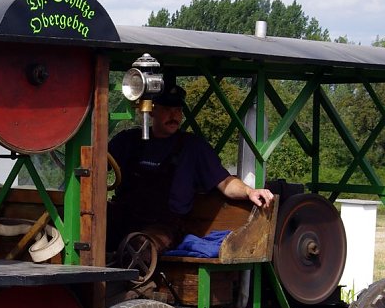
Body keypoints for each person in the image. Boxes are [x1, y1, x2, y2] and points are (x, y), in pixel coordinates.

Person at [107, 83, 274, 254]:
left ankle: (139, 280)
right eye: (167, 109)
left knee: (140, 245)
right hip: (124, 219)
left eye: (178, 110)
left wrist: (249, 192)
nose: (174, 115)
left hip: (163, 227)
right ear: (151, 111)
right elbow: (95, 166)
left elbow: (225, 182)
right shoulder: (127, 141)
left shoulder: (193, 147)